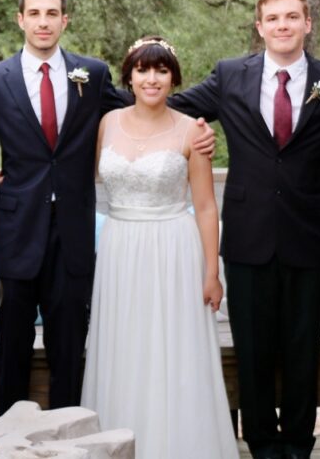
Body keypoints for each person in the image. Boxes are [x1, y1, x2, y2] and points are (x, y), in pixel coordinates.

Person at [0, 0, 213, 415]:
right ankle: (8, 437)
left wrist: (194, 125)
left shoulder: (92, 74)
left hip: (74, 236)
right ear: (20, 19)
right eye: (35, 14)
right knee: (12, 348)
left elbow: (144, 104)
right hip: (13, 234)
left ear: (64, 20)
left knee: (69, 347)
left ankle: (69, 438)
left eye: (52, 14)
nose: (43, 23)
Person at [166, 0, 320, 459]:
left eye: (292, 17)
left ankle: (297, 443)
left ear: (307, 23)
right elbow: (171, 109)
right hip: (248, 236)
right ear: (260, 27)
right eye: (273, 19)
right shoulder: (232, 75)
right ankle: (262, 444)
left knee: (301, 350)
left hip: (309, 236)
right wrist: (191, 134)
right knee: (252, 351)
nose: (283, 26)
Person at [81, 37, 239, 459]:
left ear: (173, 79)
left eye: (162, 70)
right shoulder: (107, 123)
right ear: (128, 77)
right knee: (124, 349)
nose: (152, 79)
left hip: (173, 249)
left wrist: (211, 272)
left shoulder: (192, 130)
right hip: (119, 249)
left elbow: (206, 207)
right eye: (143, 70)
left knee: (175, 353)